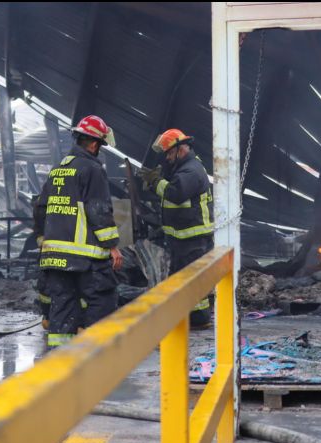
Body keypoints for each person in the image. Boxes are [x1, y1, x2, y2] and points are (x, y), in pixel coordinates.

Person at [33, 115, 123, 348]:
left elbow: (41, 208)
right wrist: (112, 245)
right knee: (103, 299)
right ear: (93, 144)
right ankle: (94, 353)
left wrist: (43, 240)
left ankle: (60, 361)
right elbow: (99, 210)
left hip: (54, 255)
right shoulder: (92, 169)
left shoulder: (58, 169)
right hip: (84, 256)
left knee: (62, 305)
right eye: (100, 145)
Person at [140, 129, 214, 328]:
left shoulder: (191, 170)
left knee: (192, 281)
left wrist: (155, 182)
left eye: (169, 153)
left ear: (180, 149)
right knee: (183, 279)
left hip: (192, 237)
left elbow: (175, 193)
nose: (167, 157)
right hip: (183, 238)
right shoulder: (184, 169)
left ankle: (199, 318)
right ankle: (192, 316)